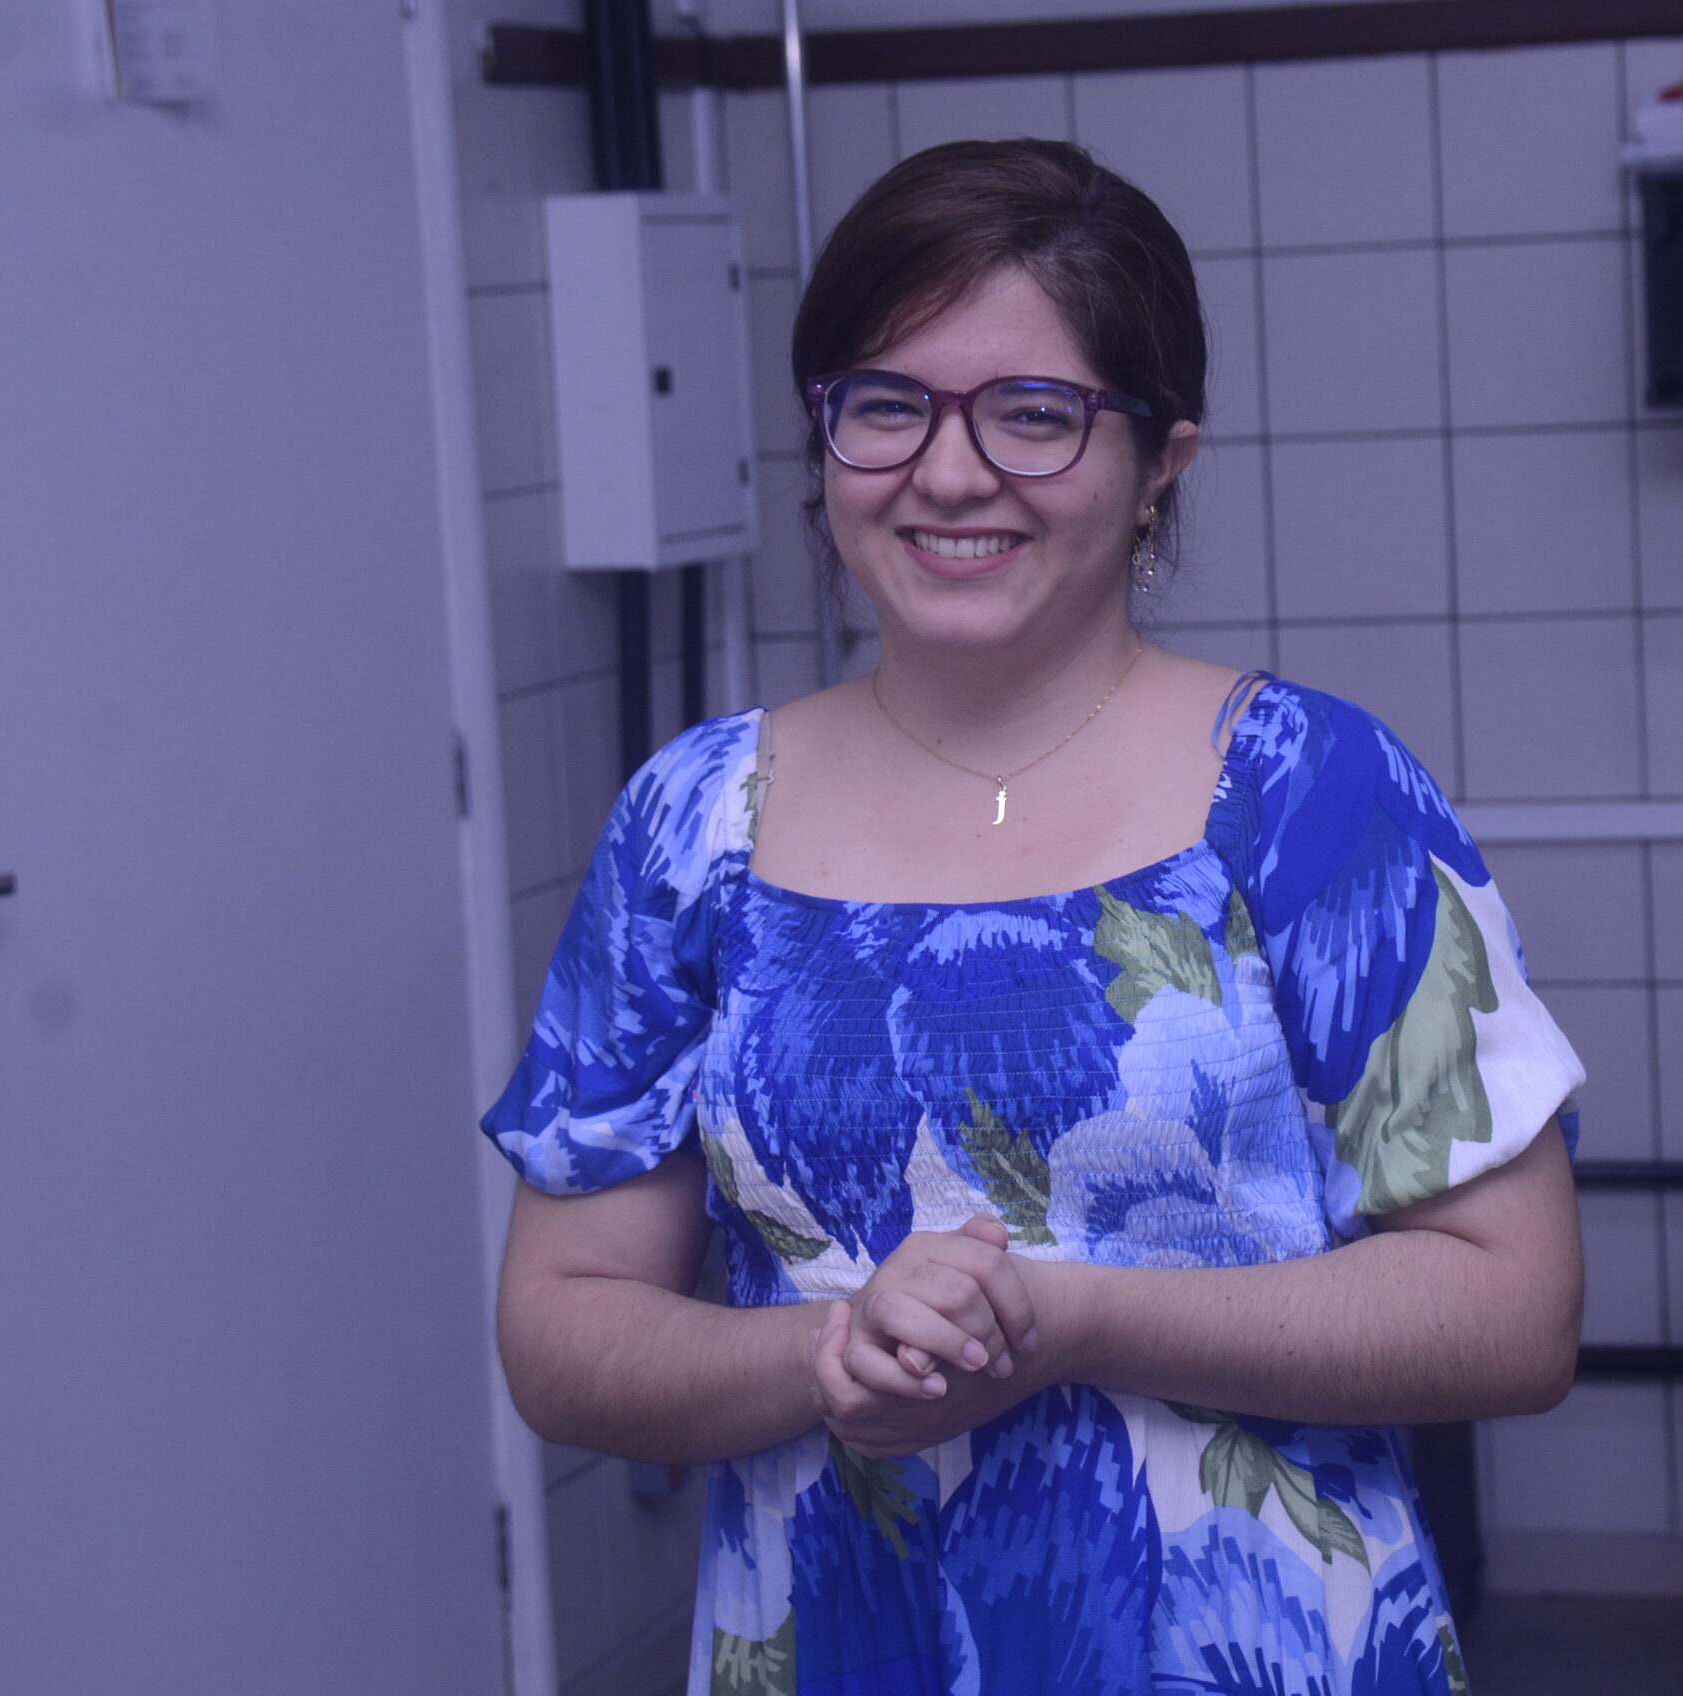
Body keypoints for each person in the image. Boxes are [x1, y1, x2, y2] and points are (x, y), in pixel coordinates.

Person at [484, 137, 1587, 1695]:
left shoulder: (1311, 789)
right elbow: (561, 1327)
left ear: (1160, 464)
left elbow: (1515, 1307)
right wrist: (831, 1351)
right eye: (887, 405)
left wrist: (1065, 1322)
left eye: (1034, 413)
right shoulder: (697, 823)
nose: (949, 473)